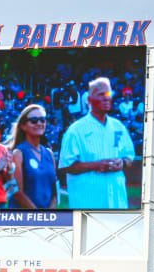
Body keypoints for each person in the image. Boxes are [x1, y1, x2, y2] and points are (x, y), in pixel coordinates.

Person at [57, 77, 135, 209]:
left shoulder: (118, 127)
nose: (106, 98)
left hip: (116, 201)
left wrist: (122, 162)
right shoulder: (76, 130)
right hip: (88, 201)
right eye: (100, 94)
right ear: (89, 100)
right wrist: (97, 165)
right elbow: (66, 166)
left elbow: (129, 156)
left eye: (108, 94)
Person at [10, 105, 57, 209]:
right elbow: (17, 193)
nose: (39, 123)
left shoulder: (49, 154)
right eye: (34, 120)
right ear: (23, 126)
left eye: (42, 120)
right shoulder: (18, 153)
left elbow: (55, 193)